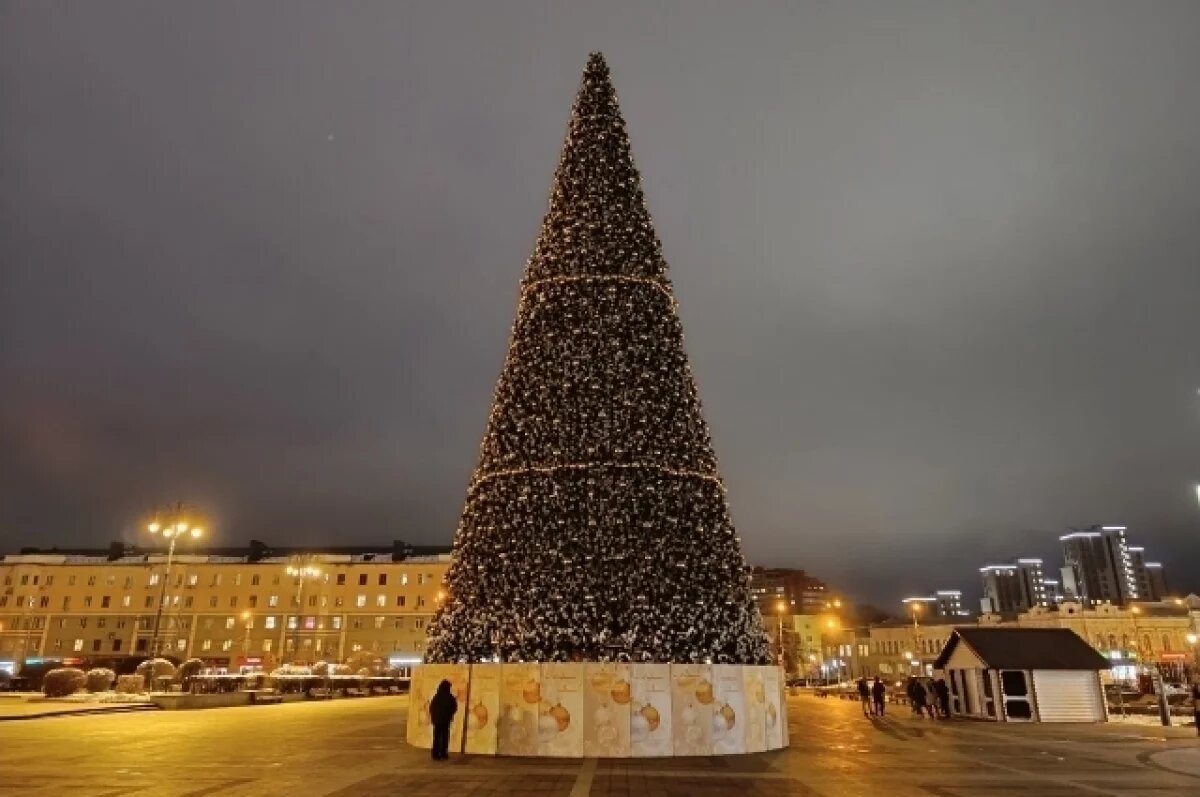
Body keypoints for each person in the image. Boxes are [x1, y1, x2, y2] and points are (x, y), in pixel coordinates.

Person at [428, 679, 458, 760]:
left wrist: (433, 717)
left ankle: (435, 754)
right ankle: (443, 753)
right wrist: (449, 715)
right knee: (444, 737)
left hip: (437, 720)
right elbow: (454, 707)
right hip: (445, 720)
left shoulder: (437, 696)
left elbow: (432, 708)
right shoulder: (449, 697)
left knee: (437, 738)